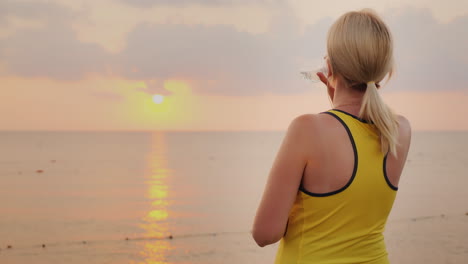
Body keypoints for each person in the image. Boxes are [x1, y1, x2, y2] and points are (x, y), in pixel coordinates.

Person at [251, 9, 412, 264]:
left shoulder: (307, 129)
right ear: (382, 71)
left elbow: (265, 233)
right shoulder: (400, 130)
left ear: (329, 66)